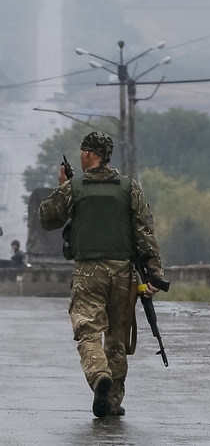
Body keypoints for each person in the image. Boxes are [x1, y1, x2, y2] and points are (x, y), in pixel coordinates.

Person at [38, 131, 164, 418]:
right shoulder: (129, 187)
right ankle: (113, 401)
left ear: (86, 154)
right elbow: (145, 232)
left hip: (88, 272)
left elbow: (46, 218)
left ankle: (99, 377)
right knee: (117, 338)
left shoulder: (75, 187)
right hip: (123, 273)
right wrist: (154, 273)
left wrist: (63, 187)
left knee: (88, 331)